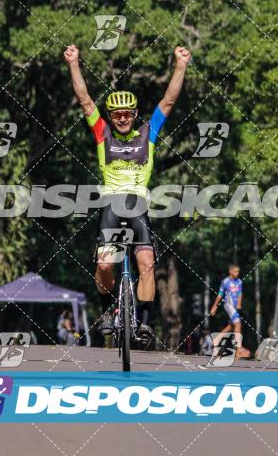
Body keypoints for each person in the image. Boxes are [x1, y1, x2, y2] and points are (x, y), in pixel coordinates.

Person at [64, 44, 189, 337]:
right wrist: (74, 63)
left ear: (134, 114)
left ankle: (144, 320)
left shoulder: (148, 133)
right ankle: (108, 311)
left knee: (146, 264)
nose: (122, 118)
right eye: (116, 114)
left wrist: (180, 65)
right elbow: (84, 100)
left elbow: (169, 101)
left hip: (138, 206)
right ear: (111, 115)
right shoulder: (103, 133)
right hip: (111, 204)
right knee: (105, 265)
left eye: (127, 114)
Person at [208, 264, 249, 358]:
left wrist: (239, 304)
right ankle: (239, 349)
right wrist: (214, 306)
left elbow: (240, 294)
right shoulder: (225, 281)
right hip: (228, 305)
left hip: (235, 307)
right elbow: (220, 294)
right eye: (235, 271)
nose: (237, 273)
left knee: (231, 326)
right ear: (230, 271)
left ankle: (216, 340)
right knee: (238, 324)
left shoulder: (239, 281)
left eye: (238, 271)